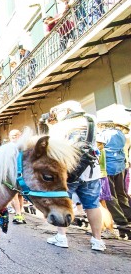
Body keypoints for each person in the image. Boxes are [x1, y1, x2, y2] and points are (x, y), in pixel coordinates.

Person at [45, 102, 106, 251]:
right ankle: (97, 240)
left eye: (58, 112)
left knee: (62, 203)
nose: (56, 116)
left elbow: (52, 150)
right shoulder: (91, 120)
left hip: (68, 172)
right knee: (93, 205)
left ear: (67, 111)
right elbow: (100, 144)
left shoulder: (60, 127)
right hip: (91, 171)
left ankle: (61, 237)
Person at [97, 105, 131, 230]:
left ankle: (120, 220)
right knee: (121, 193)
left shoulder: (102, 135)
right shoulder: (121, 134)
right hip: (120, 166)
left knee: (110, 195)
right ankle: (128, 215)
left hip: (108, 167)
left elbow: (99, 150)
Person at [7, 129, 27, 224]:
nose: (14, 137)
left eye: (16, 135)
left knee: (17, 195)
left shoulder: (23, 146)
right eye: (12, 136)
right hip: (13, 173)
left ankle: (18, 213)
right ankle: (19, 212)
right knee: (15, 195)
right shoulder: (10, 147)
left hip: (19, 173)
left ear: (20, 135)